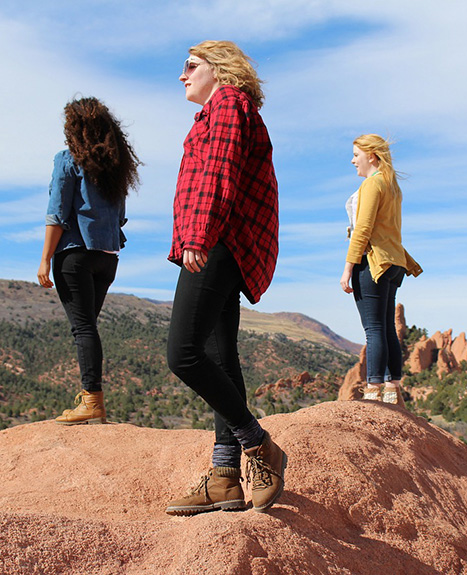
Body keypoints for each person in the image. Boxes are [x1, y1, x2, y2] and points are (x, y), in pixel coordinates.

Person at [165, 41, 286, 516]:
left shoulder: (230, 104)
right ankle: (223, 478)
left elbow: (219, 173)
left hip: (217, 242)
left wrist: (197, 234)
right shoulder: (216, 111)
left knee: (183, 354)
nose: (182, 75)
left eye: (191, 65)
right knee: (220, 356)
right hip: (220, 241)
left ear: (220, 69)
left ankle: (260, 446)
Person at [37, 97, 140, 425]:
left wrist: (44, 259)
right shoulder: (115, 167)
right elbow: (120, 217)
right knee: (87, 327)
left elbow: (57, 213)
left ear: (74, 129)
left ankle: (92, 400)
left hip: (75, 256)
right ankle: (88, 395)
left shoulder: (67, 161)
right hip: (107, 258)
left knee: (82, 328)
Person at [340, 134, 422, 406]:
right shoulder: (392, 186)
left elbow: (362, 230)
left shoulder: (372, 185)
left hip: (373, 262)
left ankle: (373, 390)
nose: (353, 160)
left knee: (373, 328)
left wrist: (348, 268)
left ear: (371, 156)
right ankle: (391, 387)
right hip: (395, 262)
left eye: (356, 155)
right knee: (386, 326)